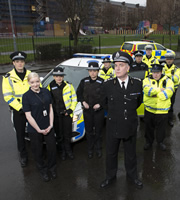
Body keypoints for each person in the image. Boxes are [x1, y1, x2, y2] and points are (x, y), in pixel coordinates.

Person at [100, 51, 143, 189]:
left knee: (131, 154)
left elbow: (138, 102)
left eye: (121, 65)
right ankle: (110, 177)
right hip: (113, 125)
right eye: (115, 65)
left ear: (128, 68)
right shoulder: (107, 85)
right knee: (111, 153)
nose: (117, 68)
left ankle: (132, 177)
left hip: (130, 124)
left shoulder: (136, 84)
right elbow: (104, 103)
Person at [22, 72, 57, 182]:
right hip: (35, 129)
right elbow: (28, 115)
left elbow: (50, 109)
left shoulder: (46, 92)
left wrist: (51, 124)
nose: (35, 84)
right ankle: (42, 170)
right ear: (29, 83)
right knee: (38, 151)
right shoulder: (26, 96)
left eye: (37, 81)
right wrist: (38, 129)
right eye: (32, 82)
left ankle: (52, 168)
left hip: (48, 126)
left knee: (52, 149)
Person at [2, 51, 31, 167]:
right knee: (20, 133)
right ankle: (23, 155)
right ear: (13, 63)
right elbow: (7, 96)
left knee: (34, 132)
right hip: (18, 111)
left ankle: (36, 151)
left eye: (22, 61)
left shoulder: (30, 74)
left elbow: (37, 88)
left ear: (24, 62)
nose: (20, 64)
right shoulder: (8, 77)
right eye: (17, 62)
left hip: (32, 109)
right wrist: (20, 108)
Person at [48, 67, 77, 160]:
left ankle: (68, 150)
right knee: (59, 135)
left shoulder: (69, 85)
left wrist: (70, 110)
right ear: (53, 77)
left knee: (67, 134)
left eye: (60, 76)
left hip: (66, 115)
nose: (59, 78)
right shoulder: (50, 86)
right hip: (56, 116)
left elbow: (74, 99)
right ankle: (62, 152)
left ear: (63, 77)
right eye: (56, 76)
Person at [143, 64, 174, 151]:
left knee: (161, 128)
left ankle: (160, 142)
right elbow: (147, 91)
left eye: (157, 72)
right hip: (149, 109)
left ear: (161, 72)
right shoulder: (146, 80)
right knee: (149, 127)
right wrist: (159, 90)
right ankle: (149, 142)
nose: (155, 74)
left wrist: (154, 94)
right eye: (154, 72)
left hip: (162, 111)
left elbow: (168, 94)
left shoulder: (168, 81)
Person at [77, 62, 104, 159]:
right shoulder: (83, 81)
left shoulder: (102, 82)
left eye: (95, 71)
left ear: (97, 71)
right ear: (88, 71)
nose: (93, 73)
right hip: (87, 111)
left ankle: (98, 149)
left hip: (98, 111)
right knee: (88, 131)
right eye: (91, 71)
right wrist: (83, 102)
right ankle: (90, 149)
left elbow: (106, 96)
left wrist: (100, 104)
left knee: (98, 131)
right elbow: (78, 93)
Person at [162, 52, 180, 127]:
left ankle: (170, 119)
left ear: (173, 60)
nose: (169, 60)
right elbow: (161, 77)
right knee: (163, 104)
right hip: (164, 89)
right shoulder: (162, 68)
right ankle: (163, 119)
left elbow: (176, 79)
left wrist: (166, 75)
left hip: (173, 90)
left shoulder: (177, 69)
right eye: (167, 59)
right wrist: (170, 75)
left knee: (171, 105)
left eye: (170, 59)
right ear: (165, 60)